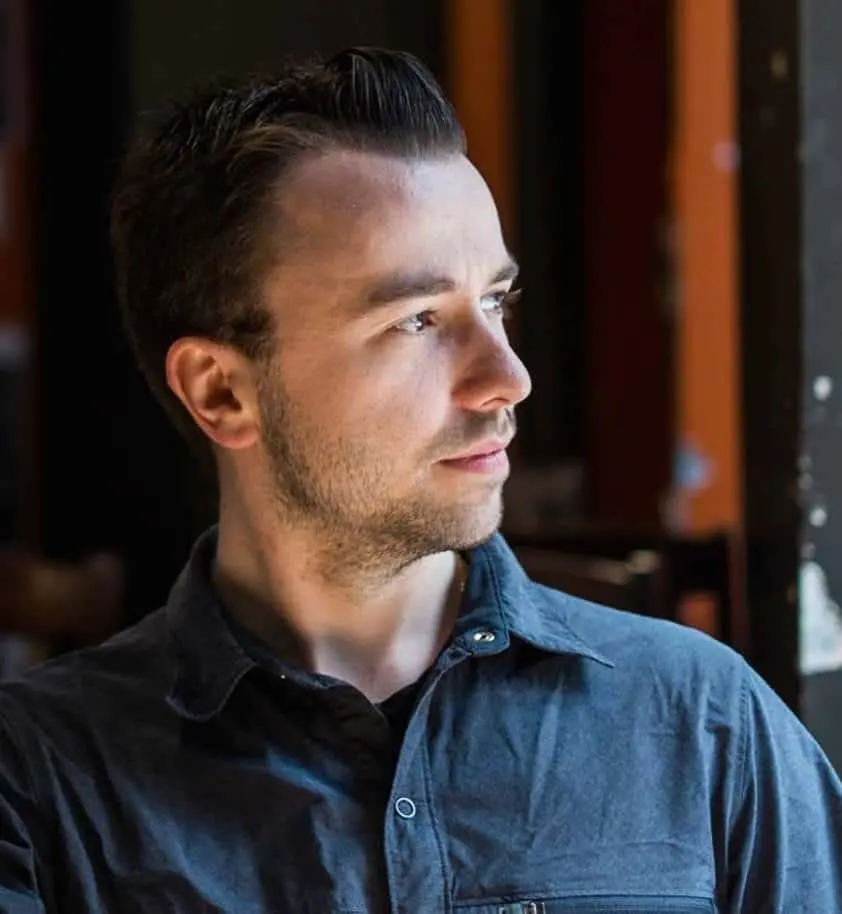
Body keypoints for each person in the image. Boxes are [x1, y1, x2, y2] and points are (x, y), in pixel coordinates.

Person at [0, 47, 839, 914]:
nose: (507, 378)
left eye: (496, 302)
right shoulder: (38, 785)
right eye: (417, 321)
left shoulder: (702, 722)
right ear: (222, 392)